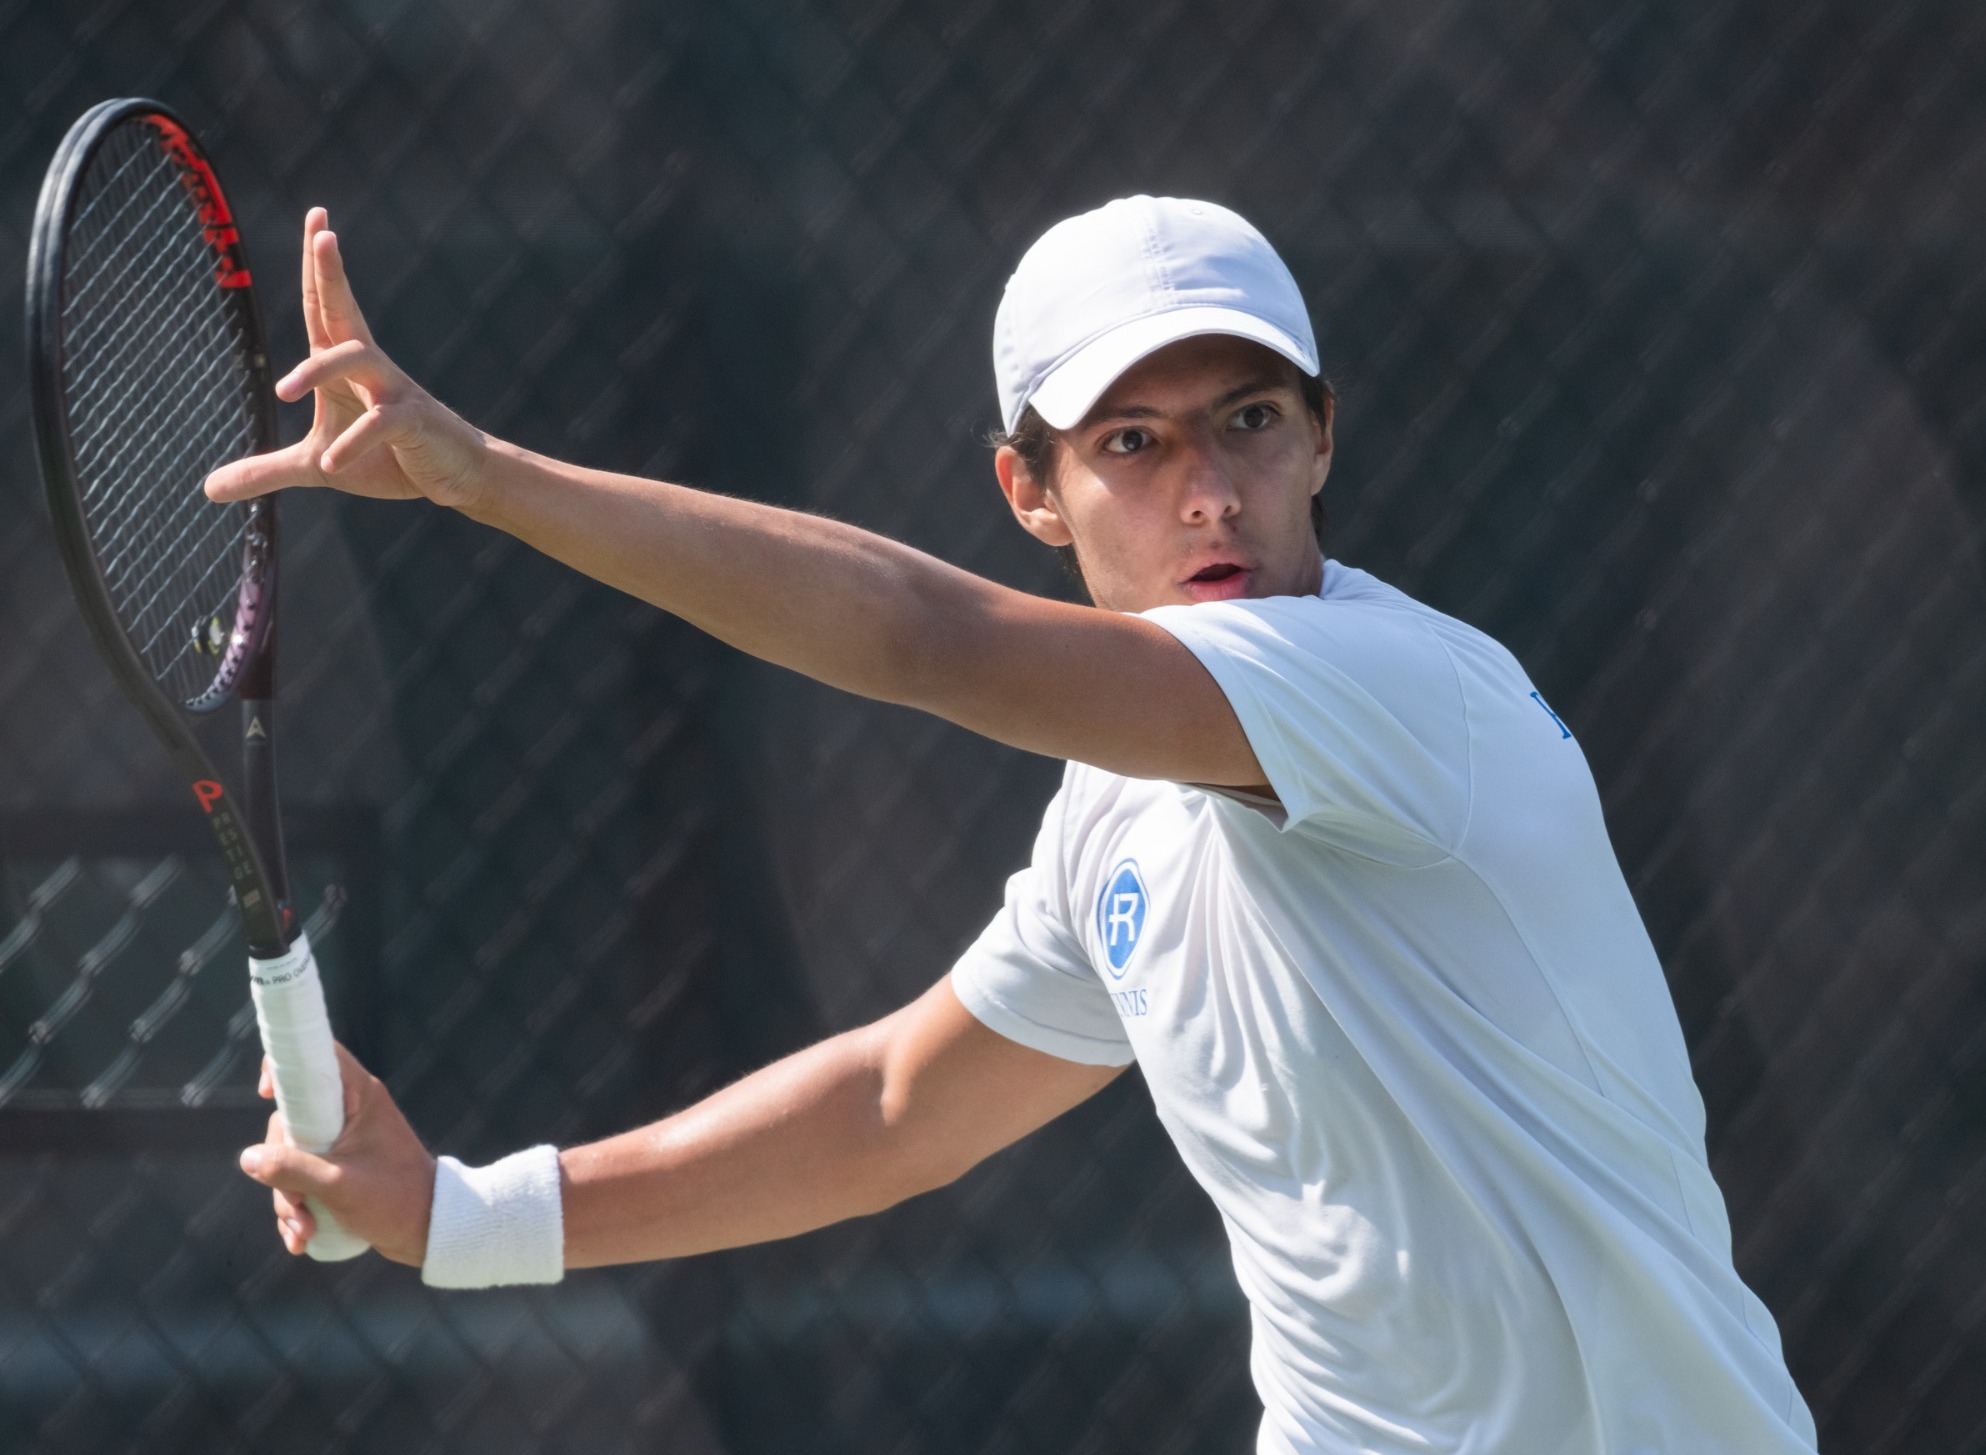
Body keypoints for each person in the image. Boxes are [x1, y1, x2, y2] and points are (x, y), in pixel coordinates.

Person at [214, 195, 1820, 1454]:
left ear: (1323, 434)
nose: (1207, 489)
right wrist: (461, 1217)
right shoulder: (1116, 825)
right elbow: (898, 1105)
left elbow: (930, 642)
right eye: (1132, 443)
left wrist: (482, 474)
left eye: (1248, 420)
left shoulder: (1397, 691)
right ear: (1026, 491)